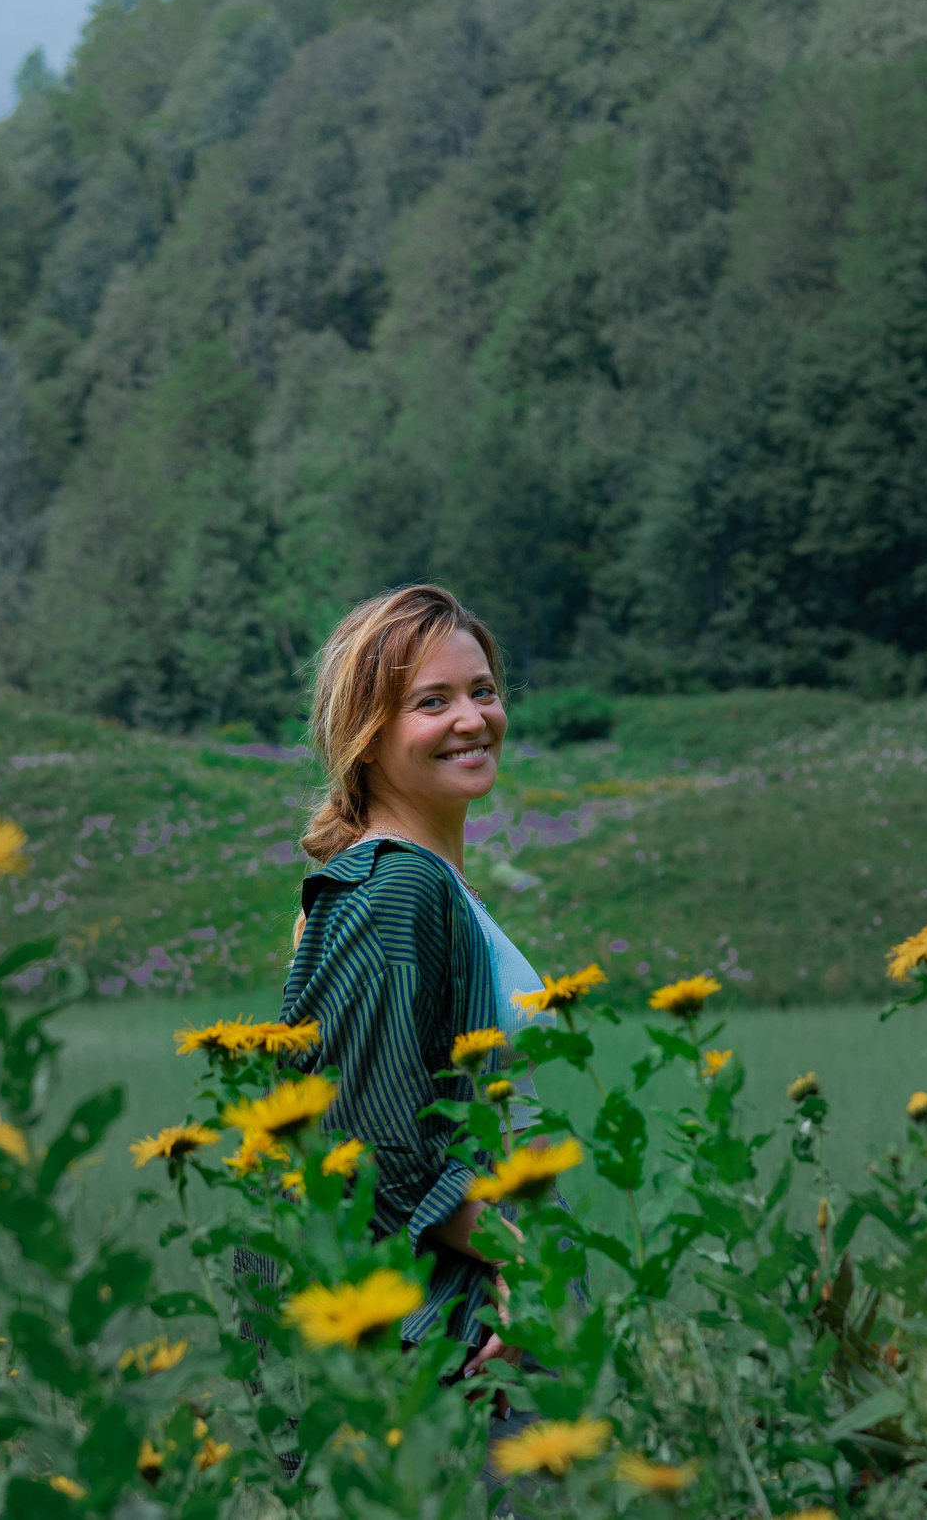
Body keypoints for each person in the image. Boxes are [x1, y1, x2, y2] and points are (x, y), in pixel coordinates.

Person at [275, 583, 549, 1382]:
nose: (471, 718)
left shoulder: (436, 887)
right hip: (452, 1334)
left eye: (482, 690)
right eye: (432, 701)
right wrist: (517, 1262)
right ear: (367, 733)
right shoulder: (392, 890)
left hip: (492, 1303)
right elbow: (369, 1144)